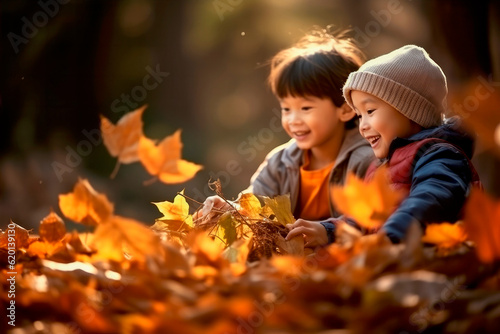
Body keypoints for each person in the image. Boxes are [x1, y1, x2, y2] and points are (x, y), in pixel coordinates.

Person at [287, 44, 481, 245]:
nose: (362, 126)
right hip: (392, 261)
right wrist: (327, 230)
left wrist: (388, 238)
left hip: (435, 264)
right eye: (359, 115)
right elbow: (363, 218)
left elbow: (431, 200)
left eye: (370, 111)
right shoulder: (381, 165)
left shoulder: (440, 155)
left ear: (409, 110)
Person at [196, 28, 375, 244]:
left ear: (346, 109)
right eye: (286, 109)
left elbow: (372, 218)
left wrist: (328, 232)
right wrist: (229, 208)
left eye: (306, 108)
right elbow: (255, 203)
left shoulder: (366, 160)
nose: (293, 120)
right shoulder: (281, 161)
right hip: (290, 264)